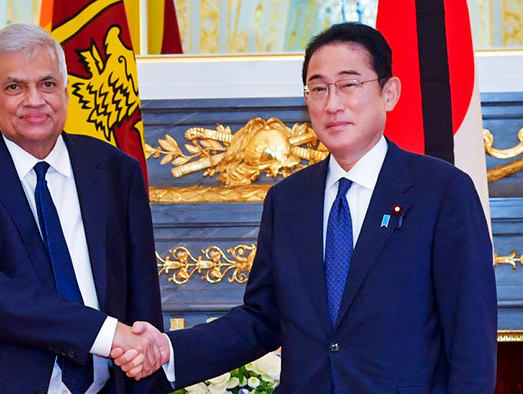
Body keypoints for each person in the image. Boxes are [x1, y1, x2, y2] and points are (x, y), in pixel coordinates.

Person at [113, 22, 497, 393]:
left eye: (349, 84)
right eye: (318, 88)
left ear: (389, 92)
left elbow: (470, 334)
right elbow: (262, 319)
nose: (333, 103)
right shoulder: (288, 200)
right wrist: (168, 349)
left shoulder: (441, 191)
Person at [0, 23, 168, 393]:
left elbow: (141, 295)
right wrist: (107, 334)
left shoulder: (116, 170)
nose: (34, 100)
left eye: (47, 84)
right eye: (15, 87)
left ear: (65, 93)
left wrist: (145, 362)